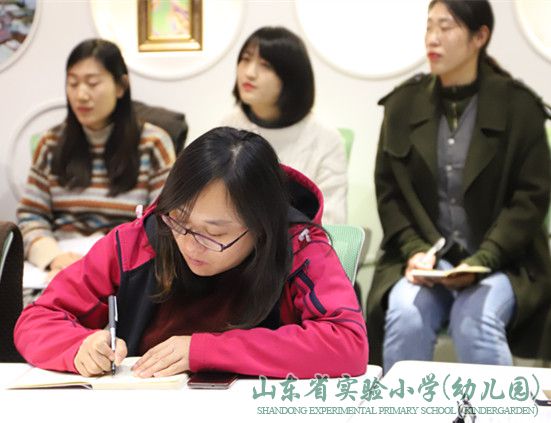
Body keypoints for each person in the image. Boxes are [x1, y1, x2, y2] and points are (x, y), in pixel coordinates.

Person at [14, 127, 368, 378]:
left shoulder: (299, 248)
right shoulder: (140, 240)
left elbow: (348, 343)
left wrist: (204, 350)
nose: (190, 244)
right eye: (180, 221)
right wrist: (78, 346)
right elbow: (37, 319)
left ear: (262, 227)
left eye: (215, 233)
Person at [365, 0, 551, 372]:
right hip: (424, 262)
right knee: (405, 315)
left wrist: (485, 259)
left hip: (504, 262)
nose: (432, 38)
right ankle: (405, 405)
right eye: (429, 26)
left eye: (446, 27)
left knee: (475, 319)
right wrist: (415, 250)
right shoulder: (402, 105)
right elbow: (390, 193)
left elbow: (530, 200)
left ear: (479, 37)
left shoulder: (519, 108)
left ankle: (495, 406)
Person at [16, 38, 176, 283]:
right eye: (73, 83)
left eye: (92, 83)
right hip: (61, 266)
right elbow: (31, 216)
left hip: (124, 268)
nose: (81, 95)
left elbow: (163, 222)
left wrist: (107, 264)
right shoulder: (51, 144)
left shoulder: (153, 144)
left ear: (121, 86)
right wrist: (52, 257)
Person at [221, 26, 347, 225]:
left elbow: (332, 221)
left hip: (300, 241)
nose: (250, 73)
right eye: (245, 59)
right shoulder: (228, 126)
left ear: (292, 77)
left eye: (265, 65)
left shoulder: (325, 138)